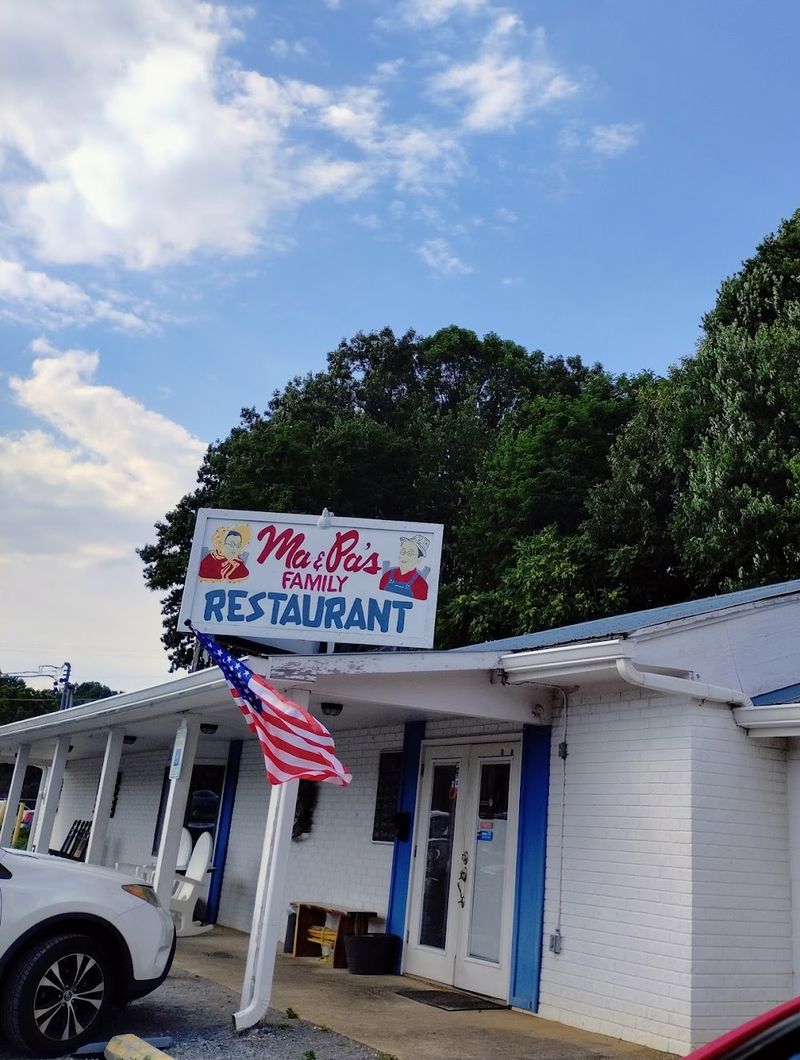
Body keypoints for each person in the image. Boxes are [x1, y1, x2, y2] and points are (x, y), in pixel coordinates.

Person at [379, 534, 430, 600]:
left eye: (409, 553)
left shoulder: (421, 584)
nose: (404, 556)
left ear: (419, 560)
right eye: (403, 552)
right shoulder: (387, 575)